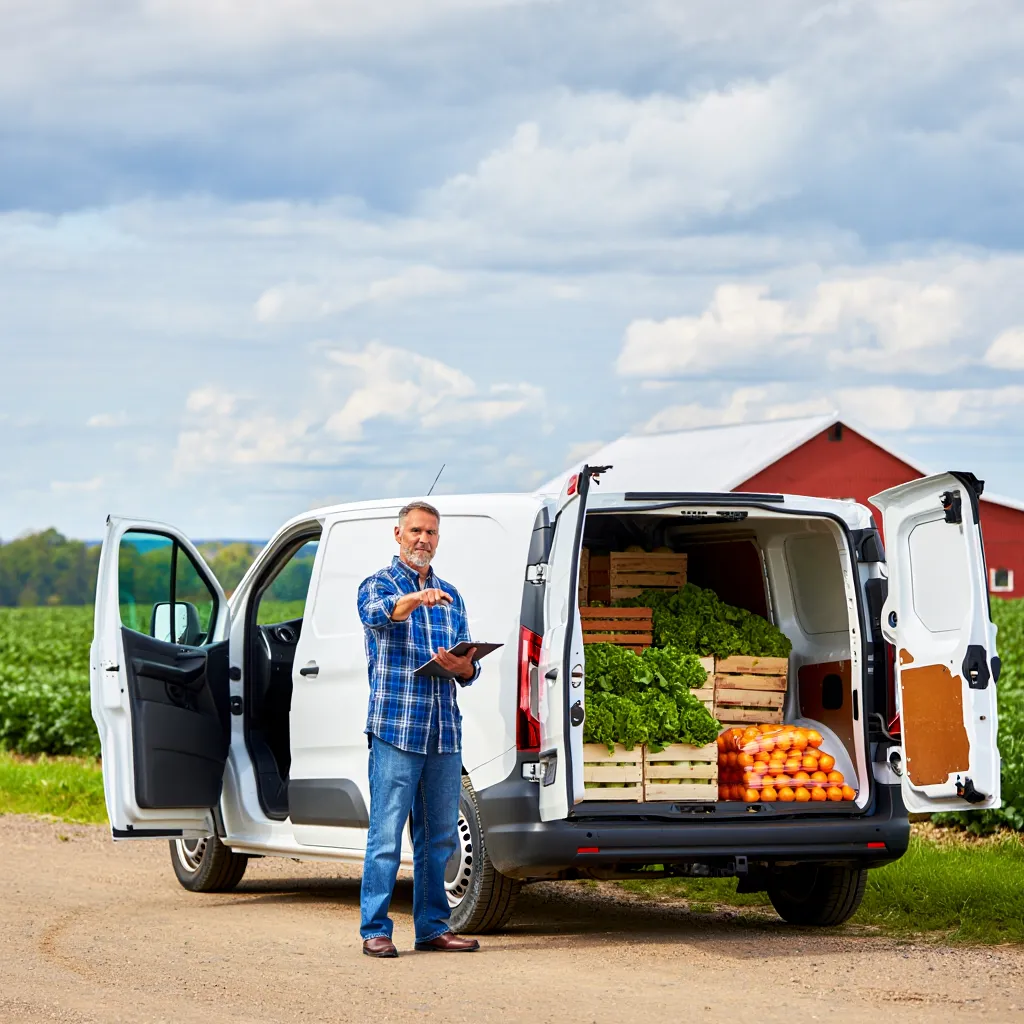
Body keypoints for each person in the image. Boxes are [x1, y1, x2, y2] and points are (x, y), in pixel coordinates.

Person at [357, 500, 481, 958]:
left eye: (430, 532)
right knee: (386, 835)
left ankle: (432, 928)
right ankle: (375, 929)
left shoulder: (452, 596)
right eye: (415, 531)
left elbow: (470, 670)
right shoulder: (377, 584)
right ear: (398, 535)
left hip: (443, 732)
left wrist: (464, 667)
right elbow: (378, 614)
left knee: (439, 837)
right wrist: (414, 599)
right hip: (395, 730)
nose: (423, 539)